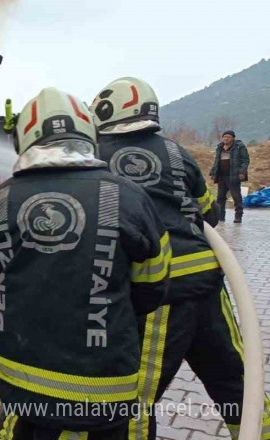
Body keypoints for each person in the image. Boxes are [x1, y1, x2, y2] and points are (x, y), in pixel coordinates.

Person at [0, 87, 170, 438]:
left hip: (20, 377)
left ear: (22, 138)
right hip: (106, 383)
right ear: (89, 131)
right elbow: (153, 286)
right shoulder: (131, 197)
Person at [91, 77, 270, 440]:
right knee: (237, 382)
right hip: (208, 282)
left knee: (136, 397)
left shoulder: (96, 154)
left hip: (159, 290)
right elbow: (210, 213)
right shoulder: (176, 153)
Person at [210, 130, 250, 223]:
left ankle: (238, 217)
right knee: (220, 197)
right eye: (224, 137)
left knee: (236, 197)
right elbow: (216, 162)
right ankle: (220, 217)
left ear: (233, 138)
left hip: (234, 175)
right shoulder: (220, 147)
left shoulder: (239, 146)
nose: (226, 138)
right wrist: (213, 172)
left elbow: (245, 160)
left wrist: (242, 172)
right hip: (221, 176)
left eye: (228, 137)